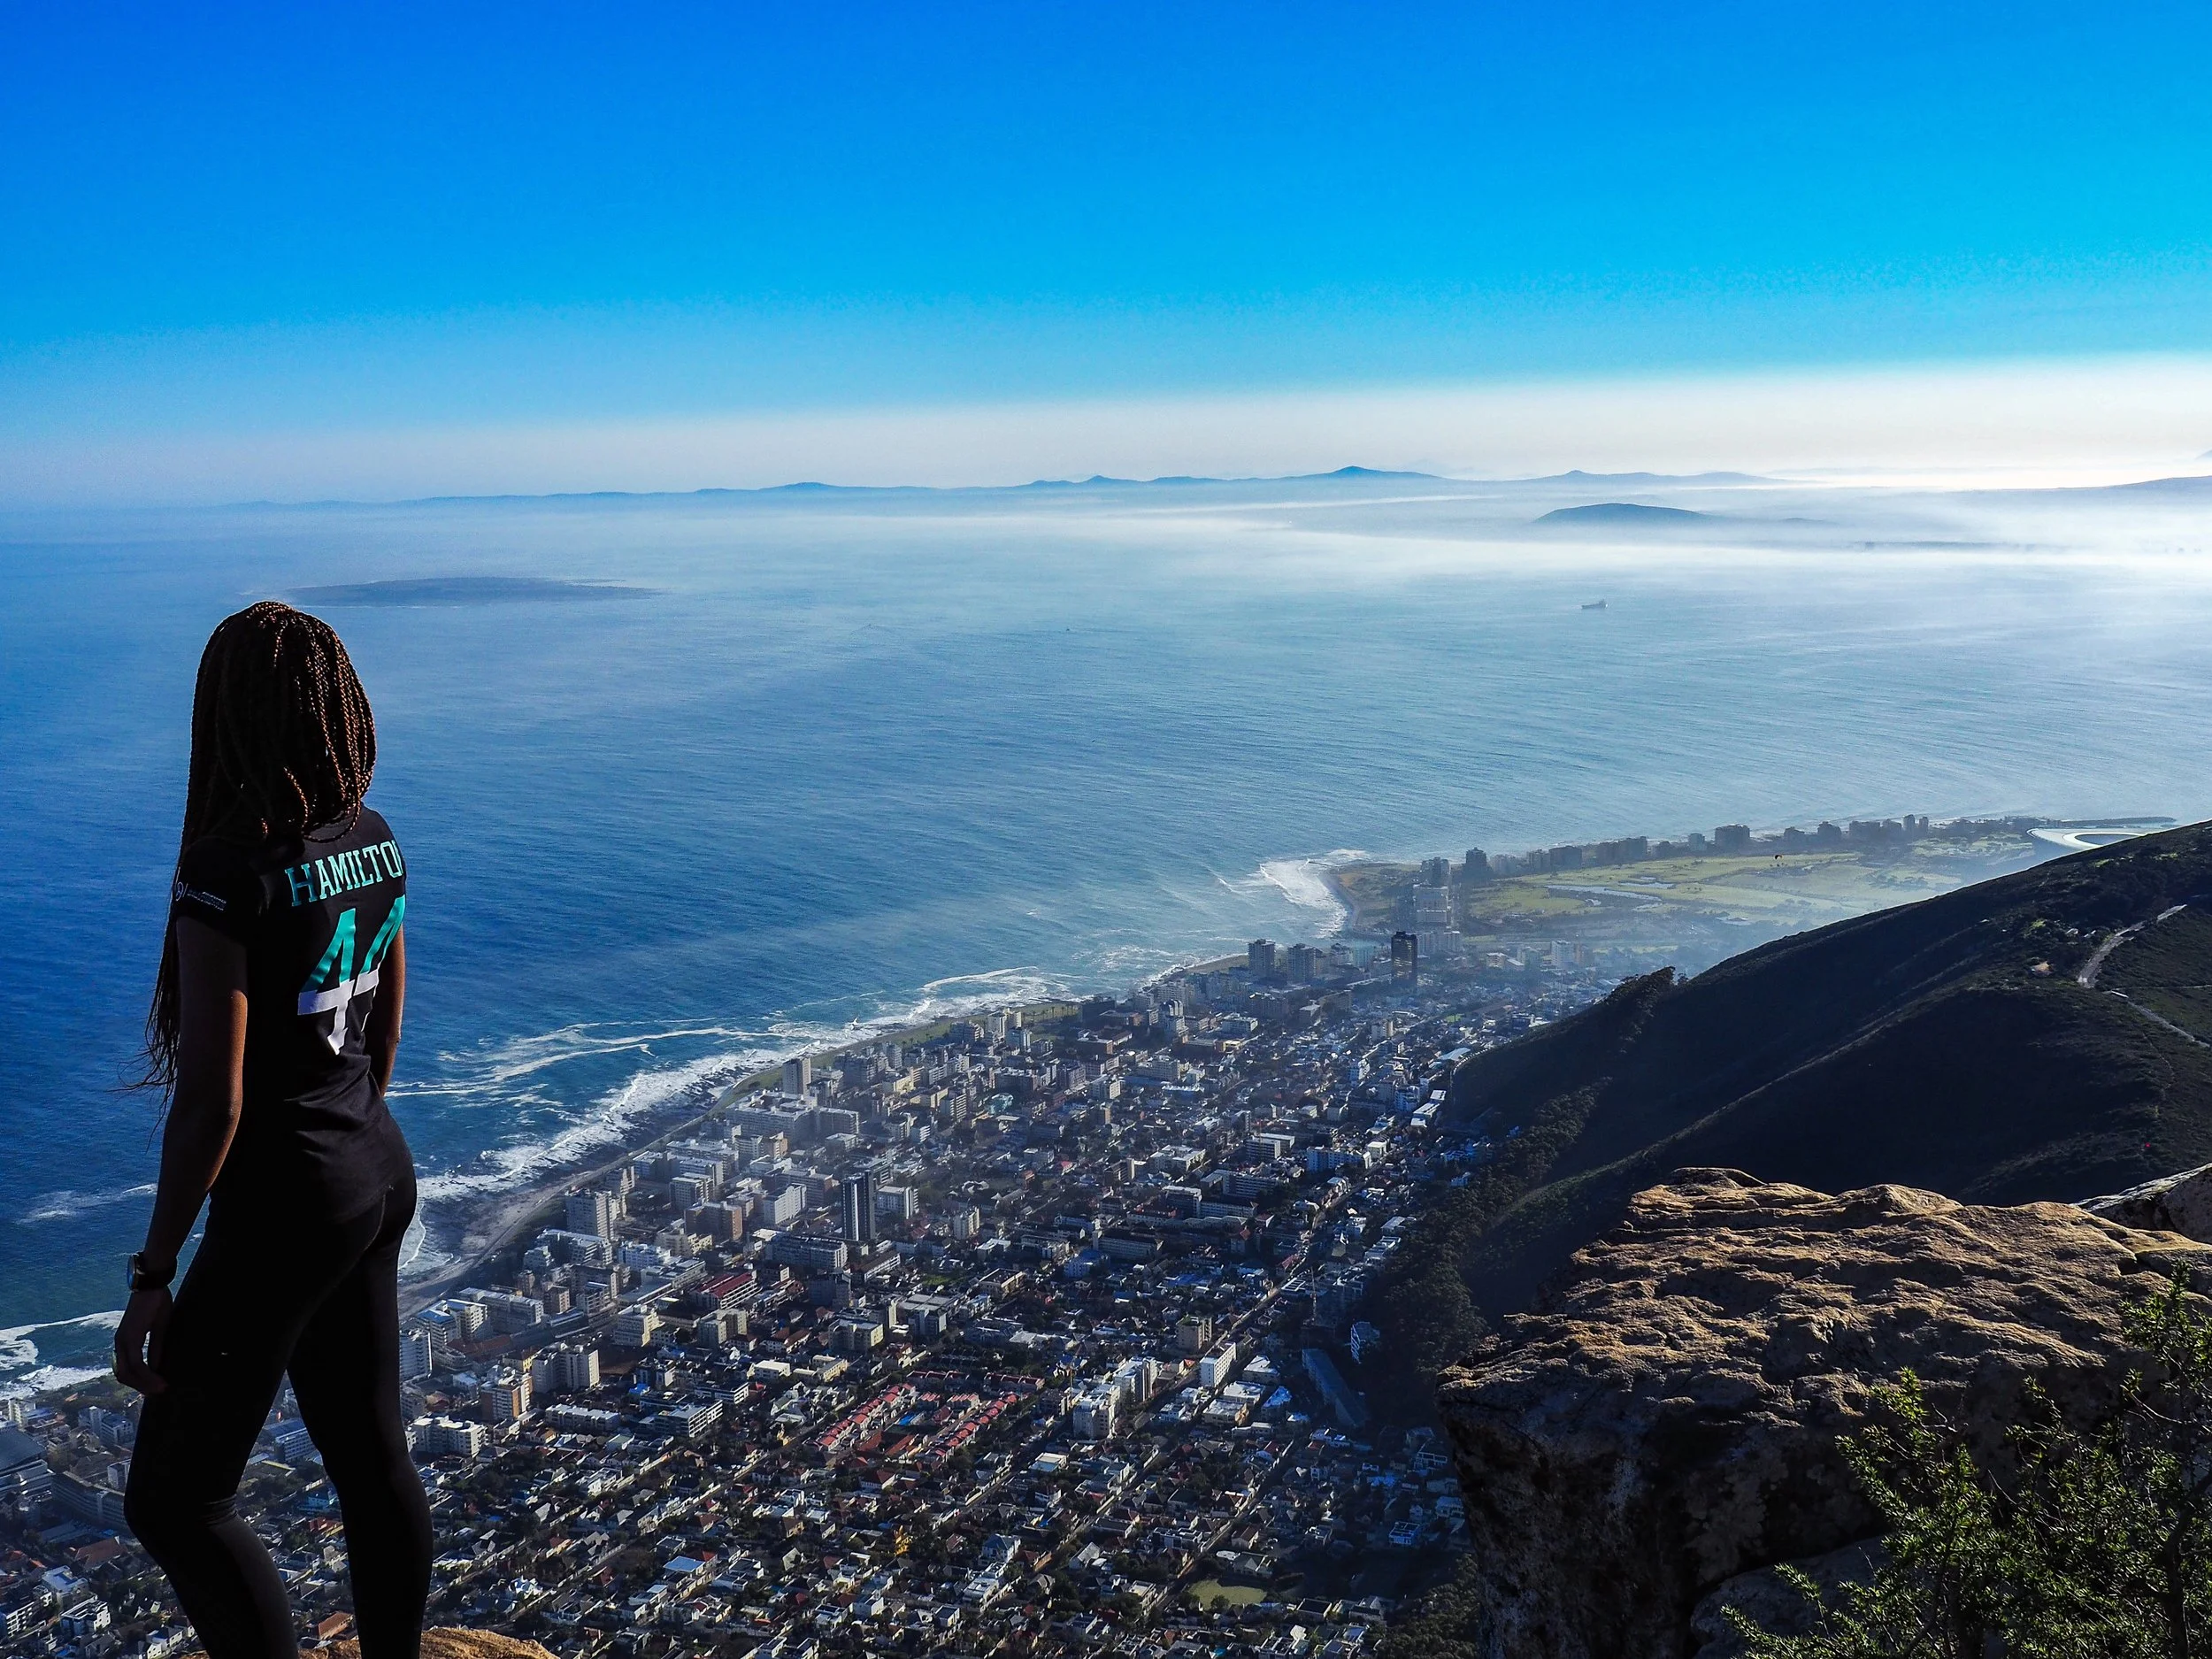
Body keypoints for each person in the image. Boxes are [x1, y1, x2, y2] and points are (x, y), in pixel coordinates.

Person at [116, 602, 431, 1659]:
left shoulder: (225, 870)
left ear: (227, 718)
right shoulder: (376, 843)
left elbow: (216, 1098)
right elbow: (385, 1027)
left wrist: (154, 1270)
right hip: (374, 1171)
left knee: (176, 1503)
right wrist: (349, 1132)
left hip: (289, 1205)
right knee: (372, 1460)